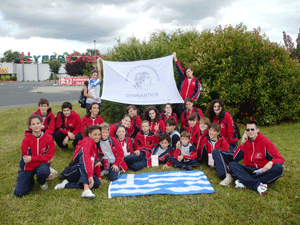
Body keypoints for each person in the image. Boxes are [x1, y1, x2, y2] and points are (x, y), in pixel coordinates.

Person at [228, 121, 285, 195]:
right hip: (249, 170)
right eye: (248, 130)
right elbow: (235, 158)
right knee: (232, 164)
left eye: (252, 129)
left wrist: (271, 163)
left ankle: (245, 182)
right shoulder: (245, 142)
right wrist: (242, 143)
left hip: (263, 170)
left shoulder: (265, 141)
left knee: (279, 168)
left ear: (257, 130)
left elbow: (280, 159)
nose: (250, 132)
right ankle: (257, 185)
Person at [54, 125, 102, 198]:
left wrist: (97, 176)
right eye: (95, 134)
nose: (98, 137)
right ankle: (86, 190)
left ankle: (65, 184)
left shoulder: (94, 146)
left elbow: (93, 163)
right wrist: (89, 175)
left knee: (96, 183)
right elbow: (85, 158)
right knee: (83, 164)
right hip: (70, 172)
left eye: (99, 134)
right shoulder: (87, 141)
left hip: (80, 173)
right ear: (89, 134)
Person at [14, 115, 55, 197]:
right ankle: (29, 178)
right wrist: (44, 158)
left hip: (41, 165)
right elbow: (26, 159)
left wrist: (32, 158)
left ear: (42, 124)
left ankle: (42, 182)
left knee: (43, 171)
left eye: (38, 123)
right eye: (33, 124)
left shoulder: (49, 138)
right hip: (28, 166)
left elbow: (49, 156)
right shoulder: (26, 140)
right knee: (19, 193)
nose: (36, 126)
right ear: (30, 126)